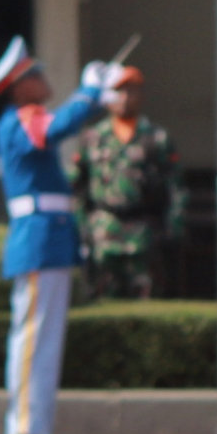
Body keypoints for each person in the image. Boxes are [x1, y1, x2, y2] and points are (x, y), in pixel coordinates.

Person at [0, 36, 118, 434]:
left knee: (44, 341)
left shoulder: (26, 118)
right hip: (37, 238)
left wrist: (97, 99)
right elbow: (57, 127)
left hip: (48, 237)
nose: (43, 79)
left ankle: (34, 429)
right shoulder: (21, 119)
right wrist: (90, 91)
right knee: (33, 340)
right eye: (35, 74)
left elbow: (65, 123)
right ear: (20, 86)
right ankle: (23, 430)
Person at [70, 65, 182, 299]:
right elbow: (76, 186)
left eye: (131, 91)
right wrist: (82, 226)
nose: (125, 98)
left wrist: (172, 229)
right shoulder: (93, 138)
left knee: (148, 299)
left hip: (144, 232)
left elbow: (176, 186)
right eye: (118, 92)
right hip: (104, 232)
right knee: (102, 299)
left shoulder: (156, 138)